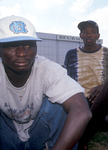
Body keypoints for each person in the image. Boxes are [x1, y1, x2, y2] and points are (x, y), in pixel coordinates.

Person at [0, 15, 92, 150]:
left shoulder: (47, 69)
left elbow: (82, 111)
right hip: (7, 135)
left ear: (36, 48)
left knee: (61, 105)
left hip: (38, 134)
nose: (21, 53)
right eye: (12, 45)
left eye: (28, 45)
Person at [64, 20, 108, 105]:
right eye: (85, 32)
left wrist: (104, 87)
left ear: (98, 36)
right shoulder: (71, 54)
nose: (89, 35)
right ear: (80, 35)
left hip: (103, 98)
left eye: (93, 32)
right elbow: (65, 79)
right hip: (77, 100)